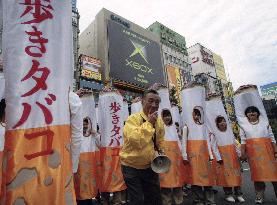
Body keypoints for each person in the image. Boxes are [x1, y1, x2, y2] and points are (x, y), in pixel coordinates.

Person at [120, 89, 165, 205]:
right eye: (150, 101)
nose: (154, 105)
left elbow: (159, 140)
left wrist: (161, 152)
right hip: (131, 167)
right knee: (138, 200)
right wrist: (149, 123)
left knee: (155, 198)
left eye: (157, 102)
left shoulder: (159, 121)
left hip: (150, 166)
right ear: (142, 101)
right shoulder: (132, 119)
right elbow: (136, 140)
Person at [234, 85, 277, 204]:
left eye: (254, 111)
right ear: (246, 115)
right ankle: (259, 196)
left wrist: (275, 150)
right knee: (258, 177)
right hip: (254, 156)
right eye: (249, 112)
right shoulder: (243, 126)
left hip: (268, 154)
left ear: (258, 113)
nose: (251, 113)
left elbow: (272, 137)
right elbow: (243, 141)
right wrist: (242, 154)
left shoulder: (265, 123)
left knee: (274, 176)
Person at [160, 109, 185, 205]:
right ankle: (166, 202)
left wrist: (183, 155)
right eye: (165, 115)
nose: (167, 117)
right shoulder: (158, 128)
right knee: (165, 183)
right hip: (164, 159)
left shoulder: (174, 127)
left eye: (168, 115)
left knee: (177, 182)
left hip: (175, 159)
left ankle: (179, 201)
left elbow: (179, 142)